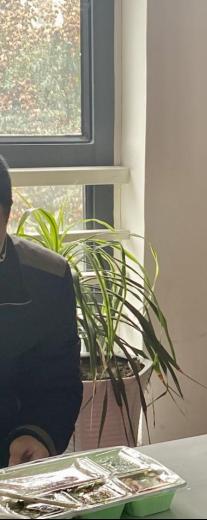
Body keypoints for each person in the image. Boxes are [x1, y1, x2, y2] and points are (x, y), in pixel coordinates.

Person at [0, 155, 83, 467]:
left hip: (11, 456)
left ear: (6, 215)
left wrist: (37, 435)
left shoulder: (47, 277)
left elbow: (57, 383)